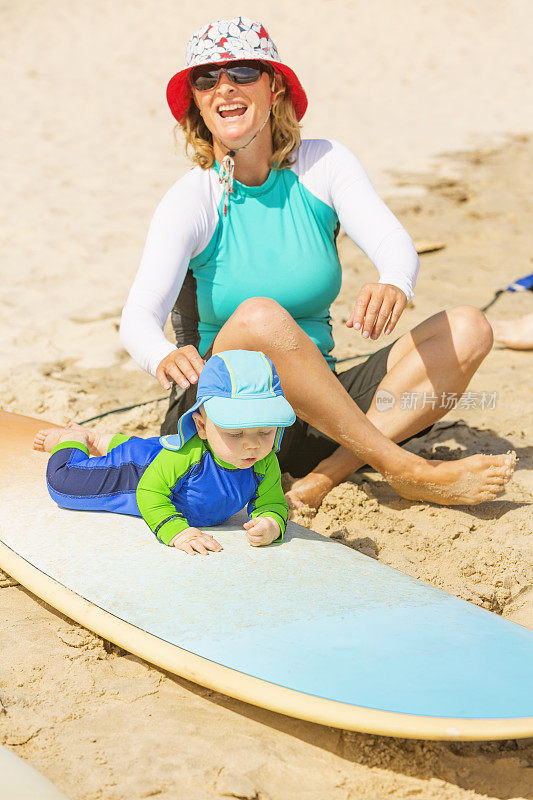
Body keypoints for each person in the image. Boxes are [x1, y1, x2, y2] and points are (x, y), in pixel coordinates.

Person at [119, 16, 515, 510]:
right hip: (224, 421)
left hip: (316, 422)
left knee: (469, 328)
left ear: (274, 86)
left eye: (242, 71)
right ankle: (403, 467)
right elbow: (136, 319)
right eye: (207, 79)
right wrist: (161, 356)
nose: (224, 88)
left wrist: (393, 281)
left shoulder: (322, 164)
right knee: (260, 317)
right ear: (196, 102)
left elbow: (394, 243)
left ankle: (327, 475)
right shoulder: (192, 198)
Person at [33, 350, 295, 555]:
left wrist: (271, 523)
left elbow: (271, 502)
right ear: (201, 427)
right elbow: (149, 492)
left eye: (265, 431)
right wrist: (176, 531)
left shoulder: (264, 460)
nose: (253, 445)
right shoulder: (185, 457)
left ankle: (100, 439)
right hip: (136, 472)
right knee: (64, 485)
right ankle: (74, 438)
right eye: (236, 433)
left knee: (146, 446)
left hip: (154, 451)